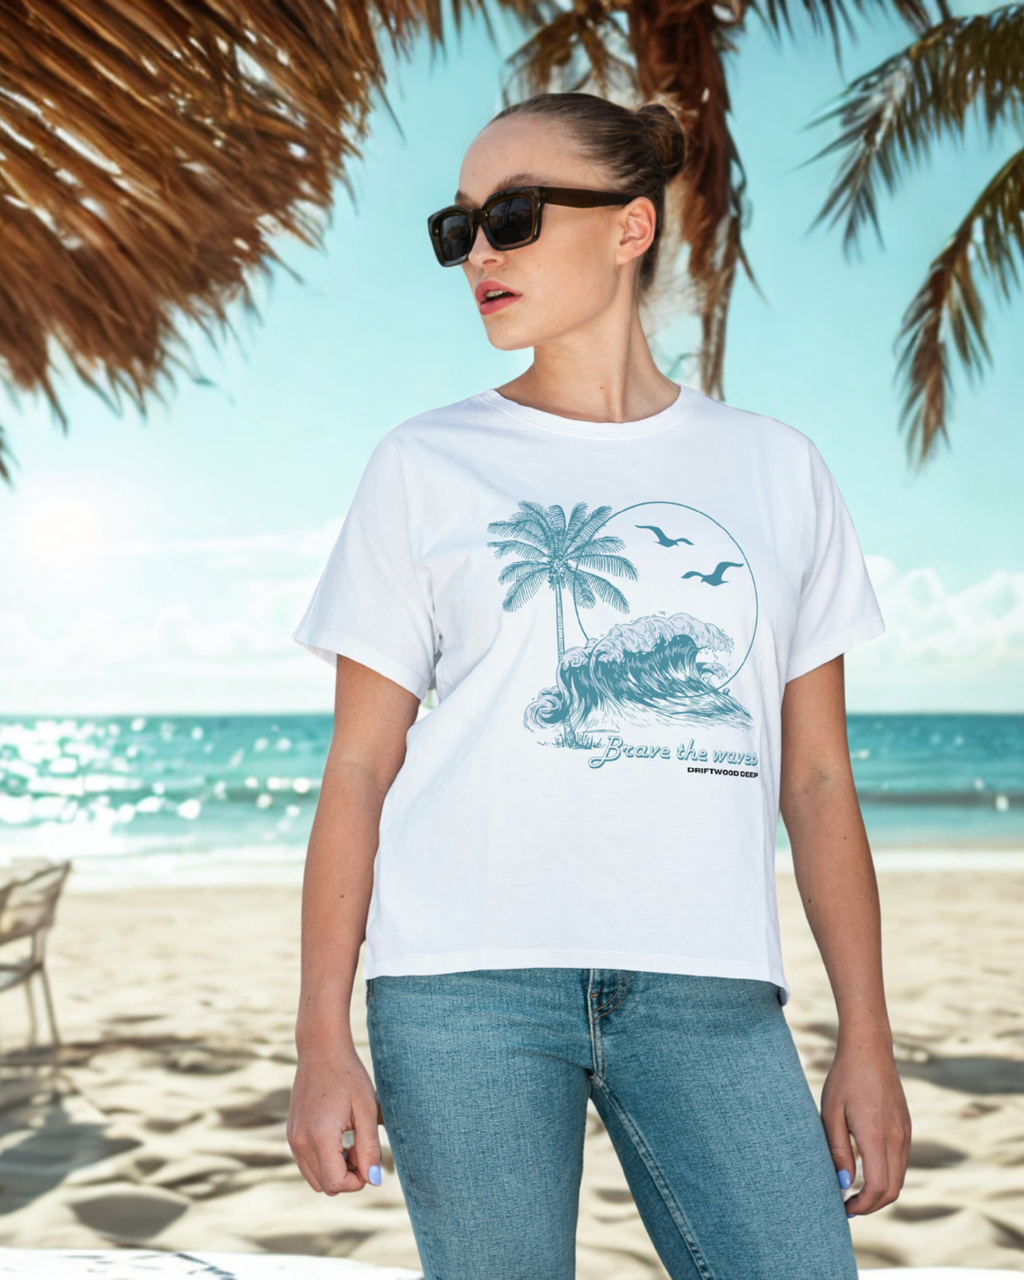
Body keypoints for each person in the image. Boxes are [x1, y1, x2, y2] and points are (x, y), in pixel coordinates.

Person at [285, 90, 911, 1280]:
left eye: (511, 216)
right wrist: (320, 1032)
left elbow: (819, 778)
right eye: (456, 228)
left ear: (630, 228)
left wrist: (865, 1040)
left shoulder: (777, 468)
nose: (477, 252)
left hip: (712, 987)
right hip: (461, 988)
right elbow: (360, 765)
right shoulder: (424, 463)